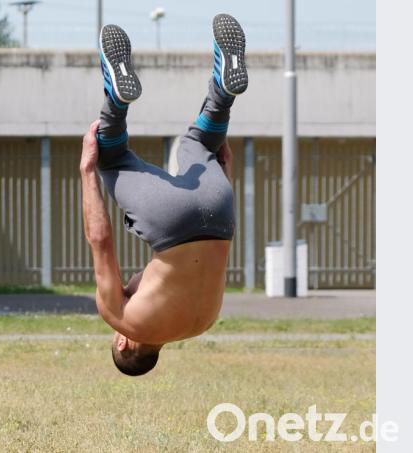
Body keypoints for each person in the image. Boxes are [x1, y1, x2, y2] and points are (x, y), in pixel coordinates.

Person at [80, 14, 247, 376]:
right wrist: (87, 172)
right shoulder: (124, 321)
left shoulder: (203, 323)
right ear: (123, 343)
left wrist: (222, 174)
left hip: (220, 211)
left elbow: (213, 257)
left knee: (201, 141)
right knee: (112, 158)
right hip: (172, 222)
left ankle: (224, 90)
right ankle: (116, 97)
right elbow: (100, 241)